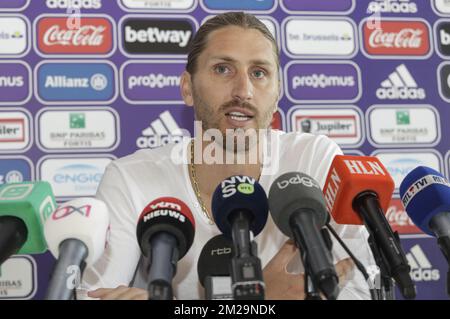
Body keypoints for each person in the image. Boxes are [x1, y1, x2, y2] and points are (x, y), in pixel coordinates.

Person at [81, 12, 375, 300]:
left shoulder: (314, 160)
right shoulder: (131, 179)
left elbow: (361, 288)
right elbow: (90, 296)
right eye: (223, 69)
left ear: (276, 94)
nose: (243, 90)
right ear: (188, 88)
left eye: (258, 73)